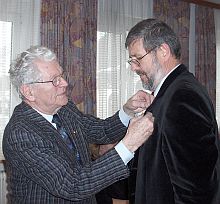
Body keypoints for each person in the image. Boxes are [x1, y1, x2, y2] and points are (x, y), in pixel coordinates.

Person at [2, 45, 154, 204]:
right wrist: (129, 145)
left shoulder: (65, 108)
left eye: (61, 75)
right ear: (29, 92)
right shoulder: (21, 134)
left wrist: (127, 110)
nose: (65, 83)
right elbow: (72, 185)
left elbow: (102, 130)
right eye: (55, 80)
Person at [125, 18, 220, 204]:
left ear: (163, 51)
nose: (134, 68)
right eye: (131, 61)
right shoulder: (169, 92)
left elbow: (195, 191)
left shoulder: (182, 97)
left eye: (137, 59)